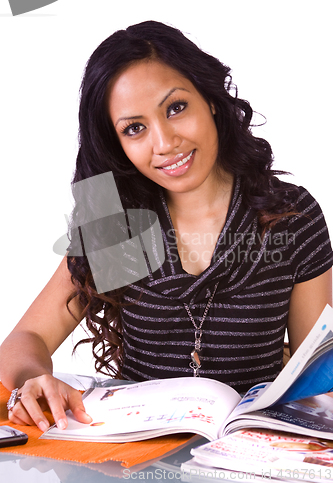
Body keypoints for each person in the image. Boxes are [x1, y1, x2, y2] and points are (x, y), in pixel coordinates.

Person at [0, 21, 332, 433]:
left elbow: (315, 379)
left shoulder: (288, 216)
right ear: (117, 142)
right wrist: (33, 379)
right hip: (129, 455)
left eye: (176, 108)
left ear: (209, 99)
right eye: (134, 128)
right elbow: (27, 337)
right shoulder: (118, 219)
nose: (165, 142)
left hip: (247, 455)